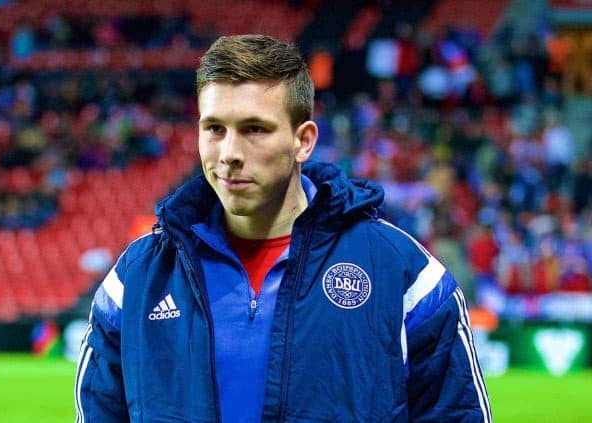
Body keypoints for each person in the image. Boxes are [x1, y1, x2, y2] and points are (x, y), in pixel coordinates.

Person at [75, 34, 491, 422]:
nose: (230, 153)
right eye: (214, 129)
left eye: (254, 129)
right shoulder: (138, 278)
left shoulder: (399, 271)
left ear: (303, 141)